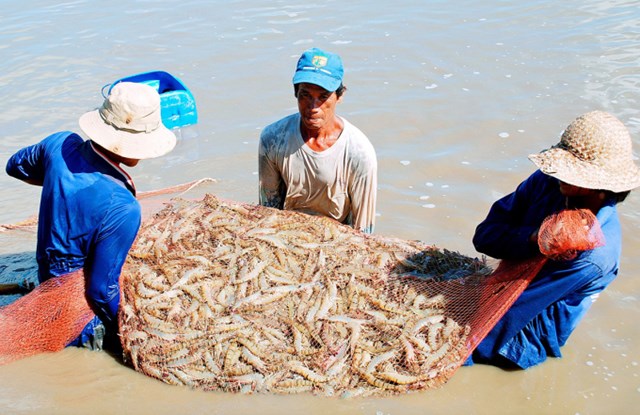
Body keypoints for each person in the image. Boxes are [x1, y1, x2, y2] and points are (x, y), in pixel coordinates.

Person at [5, 82, 176, 351]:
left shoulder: (59, 145)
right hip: (81, 315)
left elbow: (15, 166)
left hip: (47, 278)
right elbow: (100, 291)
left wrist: (59, 179)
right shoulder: (123, 207)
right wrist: (131, 332)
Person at [468, 110, 640, 369]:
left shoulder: (596, 256)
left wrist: (458, 347)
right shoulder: (547, 182)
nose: (558, 176)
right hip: (503, 284)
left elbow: (511, 314)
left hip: (521, 337)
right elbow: (484, 237)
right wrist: (533, 237)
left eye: (568, 174)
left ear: (598, 187)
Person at [258, 47, 378, 233]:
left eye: (323, 97)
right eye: (305, 95)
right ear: (296, 93)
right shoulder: (273, 139)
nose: (313, 107)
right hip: (288, 230)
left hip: (337, 236)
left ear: (340, 96)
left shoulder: (359, 153)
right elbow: (268, 209)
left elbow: (363, 229)